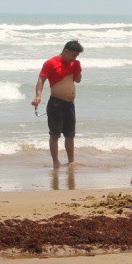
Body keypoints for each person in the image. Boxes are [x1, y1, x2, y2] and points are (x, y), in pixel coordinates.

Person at [31, 40, 84, 169]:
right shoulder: (51, 63)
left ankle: (71, 161)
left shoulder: (74, 64)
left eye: (77, 56)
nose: (75, 58)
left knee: (70, 135)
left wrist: (77, 66)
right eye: (74, 55)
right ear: (66, 51)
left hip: (69, 104)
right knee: (55, 135)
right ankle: (56, 162)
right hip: (56, 103)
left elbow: (78, 80)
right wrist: (38, 96)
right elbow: (41, 80)